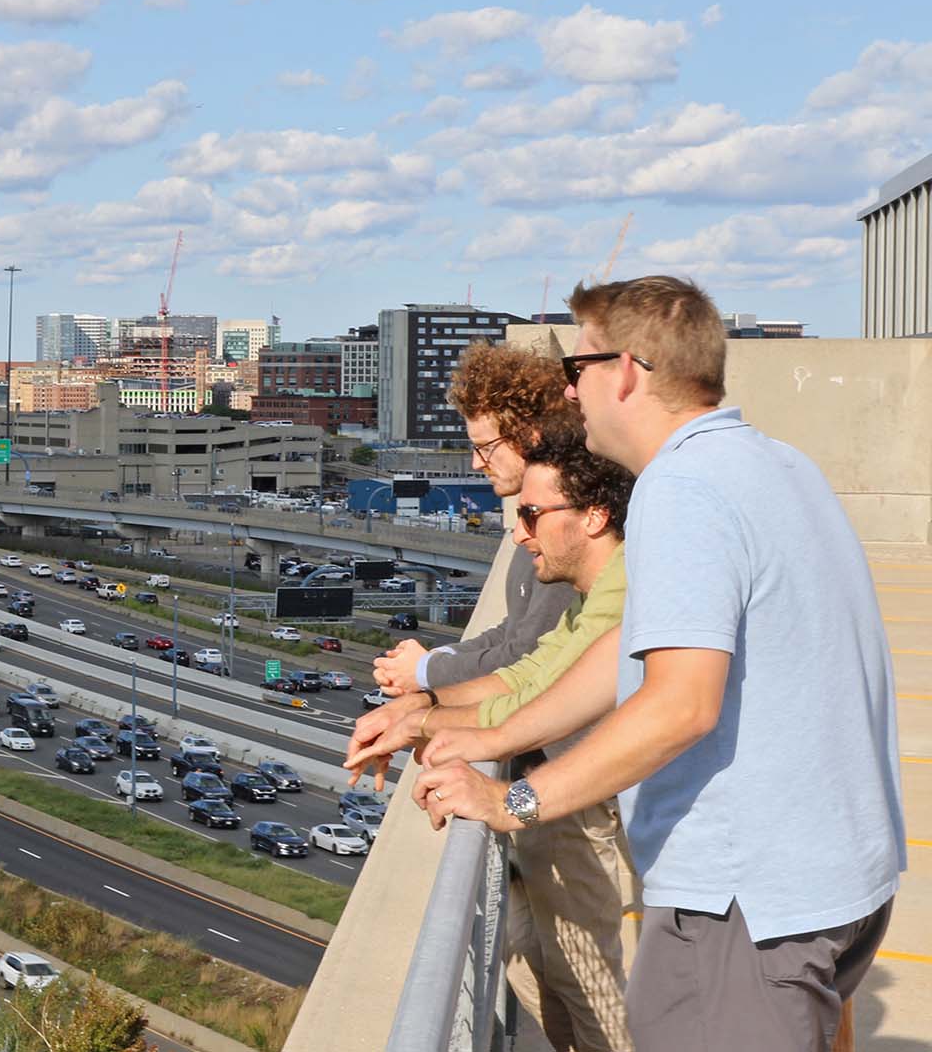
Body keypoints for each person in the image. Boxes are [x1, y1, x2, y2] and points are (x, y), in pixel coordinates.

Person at [417, 275, 904, 1052]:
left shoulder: (683, 488)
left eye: (578, 370)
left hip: (744, 905)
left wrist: (516, 801)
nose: (568, 395)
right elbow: (627, 652)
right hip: (838, 882)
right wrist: (483, 736)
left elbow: (682, 703)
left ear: (627, 371)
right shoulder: (780, 466)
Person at [349, 429, 638, 1051]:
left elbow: (540, 700)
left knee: (600, 1000)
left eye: (532, 515)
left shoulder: (625, 605)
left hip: (723, 885)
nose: (518, 533)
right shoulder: (594, 598)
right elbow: (524, 676)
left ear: (594, 516)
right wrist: (418, 709)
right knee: (562, 979)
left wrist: (425, 725)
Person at [359, 341, 582, 784]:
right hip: (548, 771)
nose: (475, 463)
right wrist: (428, 668)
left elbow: (527, 656)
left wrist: (424, 675)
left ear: (528, 435)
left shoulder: (566, 530)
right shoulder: (539, 521)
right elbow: (518, 638)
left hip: (565, 778)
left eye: (484, 447)